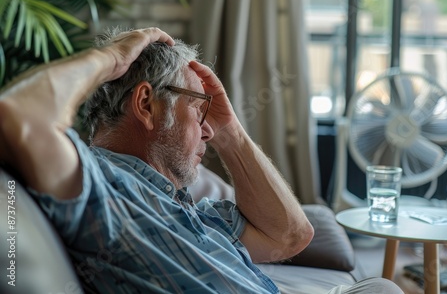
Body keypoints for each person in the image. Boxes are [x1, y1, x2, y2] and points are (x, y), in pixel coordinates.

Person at [0, 27, 402, 293]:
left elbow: (291, 236)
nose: (208, 131)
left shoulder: (188, 207)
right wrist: (113, 58)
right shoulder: (103, 184)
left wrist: (232, 131)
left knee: (382, 288)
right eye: (200, 112)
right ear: (146, 104)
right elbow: (18, 115)